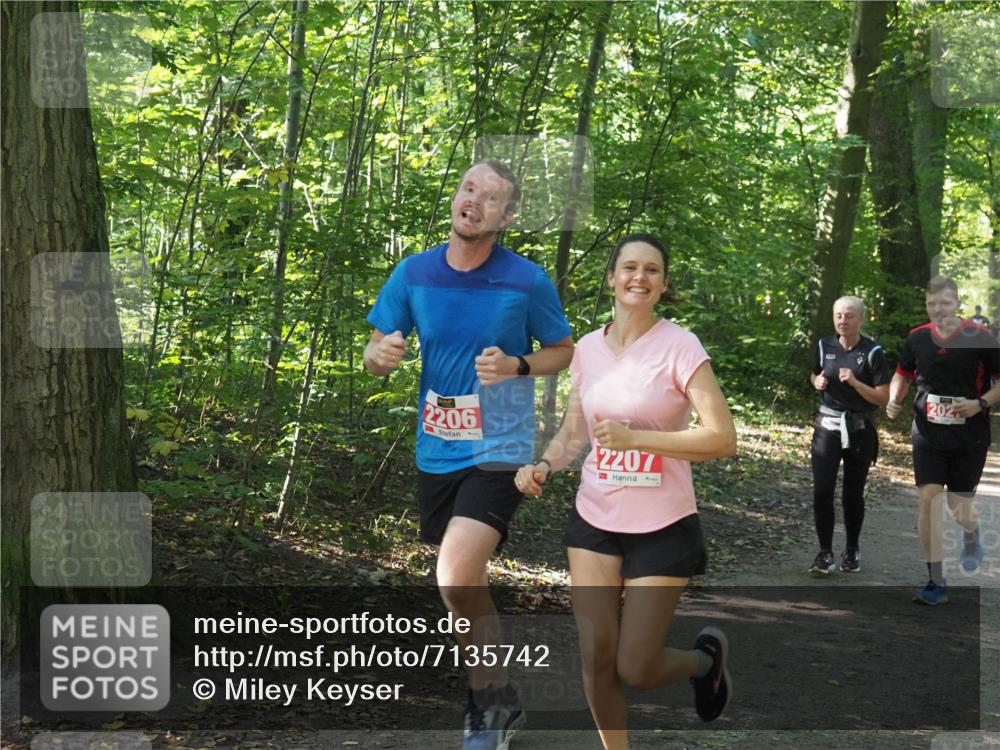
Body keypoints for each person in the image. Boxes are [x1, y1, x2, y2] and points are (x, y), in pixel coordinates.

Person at [364, 160, 574, 749]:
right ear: (457, 198)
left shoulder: (526, 280)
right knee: (465, 582)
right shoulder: (414, 272)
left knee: (455, 575)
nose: (475, 201)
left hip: (502, 446)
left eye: (491, 198)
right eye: (469, 188)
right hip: (438, 446)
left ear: (506, 217)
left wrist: (518, 364)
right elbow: (376, 347)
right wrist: (377, 357)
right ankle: (501, 695)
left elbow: (563, 350)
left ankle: (484, 706)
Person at [514, 234, 737, 750]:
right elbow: (576, 430)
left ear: (663, 284)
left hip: (662, 523)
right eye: (630, 267)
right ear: (612, 277)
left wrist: (637, 439)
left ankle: (703, 662)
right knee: (596, 657)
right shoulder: (588, 349)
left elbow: (722, 438)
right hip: (595, 518)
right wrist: (544, 464)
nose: (640, 277)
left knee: (636, 666)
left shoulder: (681, 346)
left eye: (652, 270)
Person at [886, 276, 1000, 605]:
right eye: (932, 303)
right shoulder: (917, 337)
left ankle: (971, 532)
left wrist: (980, 403)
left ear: (958, 304)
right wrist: (894, 398)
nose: (938, 309)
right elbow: (902, 374)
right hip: (928, 431)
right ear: (926, 305)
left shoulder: (981, 337)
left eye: (945, 303)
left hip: (969, 435)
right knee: (929, 500)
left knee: (958, 508)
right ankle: (935, 580)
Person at [807, 296, 891, 575]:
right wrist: (817, 381)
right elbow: (815, 374)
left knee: (852, 493)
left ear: (862, 319)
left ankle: (852, 549)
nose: (843, 320)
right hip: (827, 426)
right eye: (838, 315)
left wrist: (856, 384)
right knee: (822, 490)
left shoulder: (873, 352)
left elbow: (882, 397)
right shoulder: (824, 345)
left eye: (849, 316)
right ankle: (824, 553)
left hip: (859, 428)